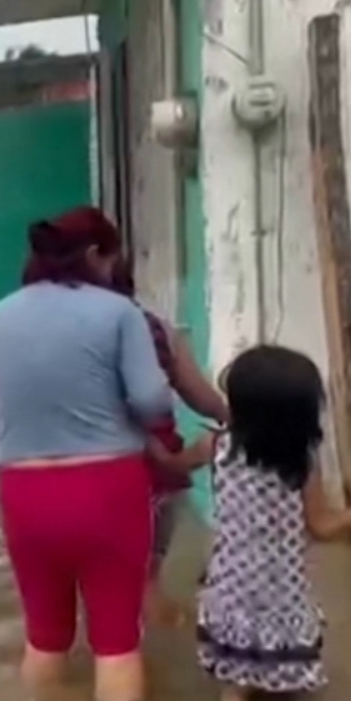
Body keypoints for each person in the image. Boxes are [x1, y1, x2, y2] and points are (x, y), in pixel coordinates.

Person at [0, 208, 175, 701]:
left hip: (23, 492)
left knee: (44, 638)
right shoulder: (118, 313)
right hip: (107, 490)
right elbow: (153, 403)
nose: (113, 272)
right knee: (116, 645)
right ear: (92, 256)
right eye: (111, 260)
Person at [198, 345, 351, 701]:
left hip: (231, 577)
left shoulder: (215, 446)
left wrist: (151, 453)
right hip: (282, 581)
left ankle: (235, 694)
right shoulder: (301, 462)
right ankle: (274, 684)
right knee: (283, 651)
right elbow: (323, 528)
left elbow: (174, 465)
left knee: (237, 641)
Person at [106, 251, 229, 627]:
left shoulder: (65, 336)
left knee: (111, 585)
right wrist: (242, 421)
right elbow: (200, 396)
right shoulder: (155, 329)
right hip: (157, 479)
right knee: (145, 580)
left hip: (90, 473)